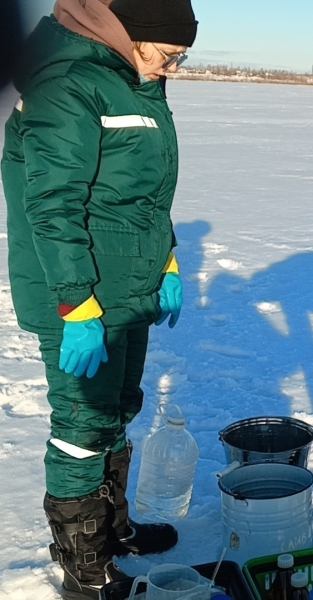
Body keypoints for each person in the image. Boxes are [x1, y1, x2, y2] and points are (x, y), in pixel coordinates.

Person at [1, 0, 197, 598]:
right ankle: (85, 572)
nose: (172, 69)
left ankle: (112, 532)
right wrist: (76, 305)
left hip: (126, 285)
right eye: (168, 55)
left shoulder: (133, 83)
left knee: (118, 409)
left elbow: (142, 199)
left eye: (181, 59)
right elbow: (52, 206)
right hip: (79, 297)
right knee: (82, 424)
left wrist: (166, 261)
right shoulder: (67, 85)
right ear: (127, 33)